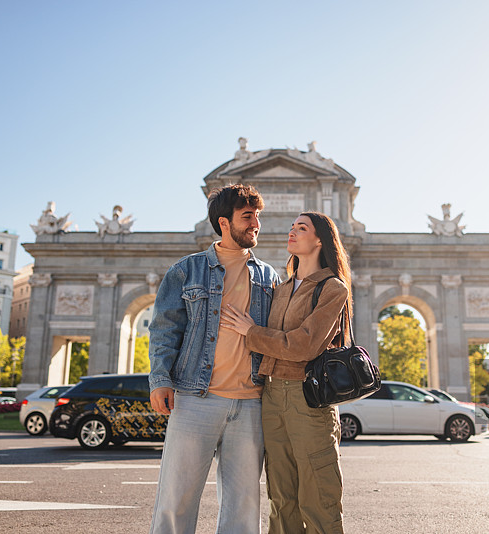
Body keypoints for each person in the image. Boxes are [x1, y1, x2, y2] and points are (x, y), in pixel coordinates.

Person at [148, 183, 281, 534]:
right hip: (195, 398)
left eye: (258, 217)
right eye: (248, 216)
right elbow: (165, 328)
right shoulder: (185, 271)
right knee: (176, 499)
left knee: (244, 504)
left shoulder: (269, 277)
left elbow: (278, 336)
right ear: (225, 222)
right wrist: (160, 379)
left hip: (251, 402)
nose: (256, 224)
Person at [221, 211, 351, 534]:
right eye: (292, 227)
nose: (292, 232)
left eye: (301, 228)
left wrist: (253, 333)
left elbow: (303, 346)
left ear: (320, 239)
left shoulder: (333, 289)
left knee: (319, 499)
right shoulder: (280, 288)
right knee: (281, 501)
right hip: (272, 397)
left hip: (307, 399)